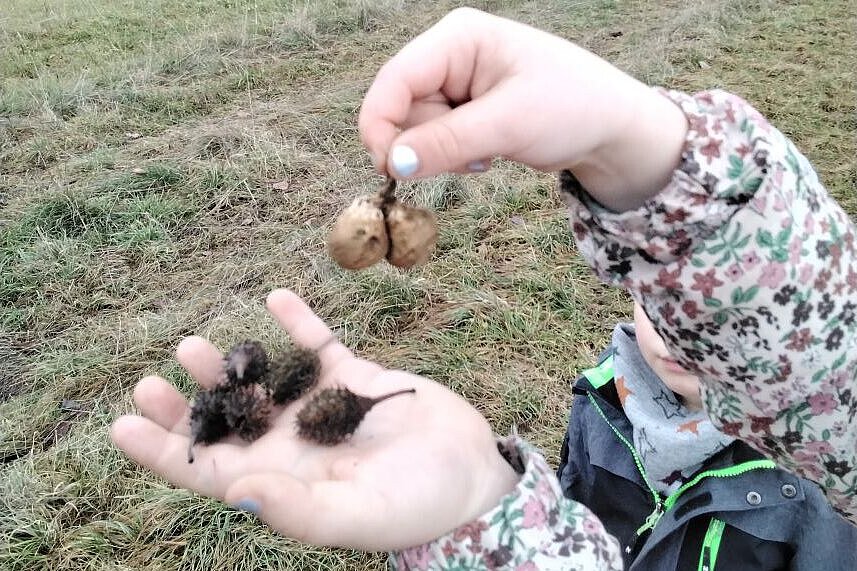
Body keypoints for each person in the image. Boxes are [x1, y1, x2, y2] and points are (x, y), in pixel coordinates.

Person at [109, 7, 857, 570]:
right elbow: (827, 364)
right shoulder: (604, 404)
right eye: (667, 305)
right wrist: (489, 516)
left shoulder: (818, 517)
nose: (673, 337)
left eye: (698, 324)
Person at [558, 301, 857, 569]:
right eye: (658, 293)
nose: (678, 329)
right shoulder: (603, 393)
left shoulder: (824, 472)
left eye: (725, 305)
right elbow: (568, 522)